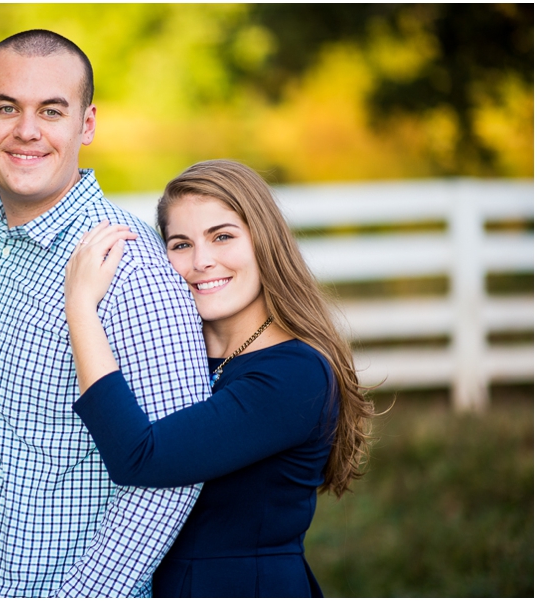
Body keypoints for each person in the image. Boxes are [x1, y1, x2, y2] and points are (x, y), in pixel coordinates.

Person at [0, 30, 211, 597]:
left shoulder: (129, 264)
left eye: (52, 110)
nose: (26, 130)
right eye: (6, 107)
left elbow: (170, 477)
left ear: (86, 124)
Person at [64, 159, 376, 597]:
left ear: (264, 242)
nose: (202, 261)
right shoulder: (182, 354)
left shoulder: (296, 374)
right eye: (180, 244)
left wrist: (79, 306)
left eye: (222, 236)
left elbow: (139, 456)